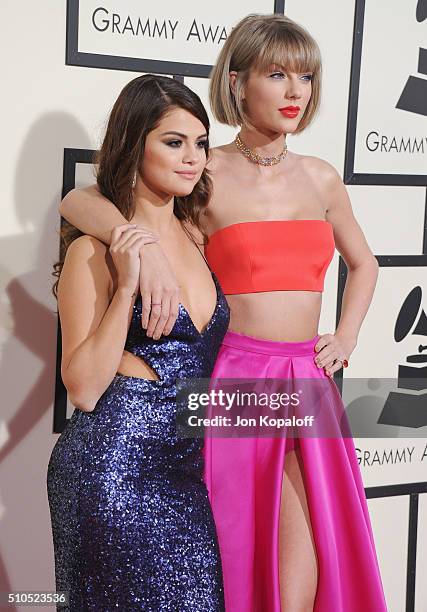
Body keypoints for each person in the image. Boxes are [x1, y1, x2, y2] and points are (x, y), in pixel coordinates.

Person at [57, 13, 388, 612]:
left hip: (306, 383)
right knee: (231, 561)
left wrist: (346, 336)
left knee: (307, 568)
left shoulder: (321, 179)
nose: (295, 92)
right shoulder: (202, 171)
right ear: (237, 83)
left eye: (306, 77)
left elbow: (364, 265)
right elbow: (81, 199)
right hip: (231, 381)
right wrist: (146, 251)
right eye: (277, 74)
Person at [47, 74, 229, 611]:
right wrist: (128, 282)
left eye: (200, 143)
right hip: (114, 470)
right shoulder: (93, 251)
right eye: (173, 142)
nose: (191, 157)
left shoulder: (198, 237)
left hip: (186, 470)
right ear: (135, 143)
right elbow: (81, 387)